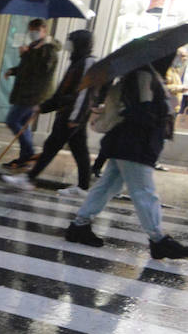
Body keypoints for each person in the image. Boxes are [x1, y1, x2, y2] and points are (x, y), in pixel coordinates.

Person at [65, 56, 188, 259]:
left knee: (107, 186)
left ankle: (79, 225)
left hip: (127, 143)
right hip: (135, 144)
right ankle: (158, 240)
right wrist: (164, 105)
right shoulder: (143, 76)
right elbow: (139, 112)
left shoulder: (145, 75)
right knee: (144, 192)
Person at [2, 29, 96, 194]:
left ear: (79, 43)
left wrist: (75, 117)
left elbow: (82, 94)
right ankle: (83, 187)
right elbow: (64, 92)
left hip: (71, 115)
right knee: (79, 150)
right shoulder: (77, 61)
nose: (68, 44)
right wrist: (45, 106)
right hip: (69, 114)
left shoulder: (86, 63)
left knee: (51, 147)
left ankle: (29, 178)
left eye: (71, 40)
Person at [3, 18, 61, 169]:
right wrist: (13, 70)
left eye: (36, 30)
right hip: (26, 92)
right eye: (31, 30)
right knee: (22, 124)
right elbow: (26, 68)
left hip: (34, 94)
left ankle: (29, 153)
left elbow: (42, 71)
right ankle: (25, 158)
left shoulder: (49, 49)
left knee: (13, 120)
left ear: (44, 30)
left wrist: (26, 55)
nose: (33, 33)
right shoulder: (34, 46)